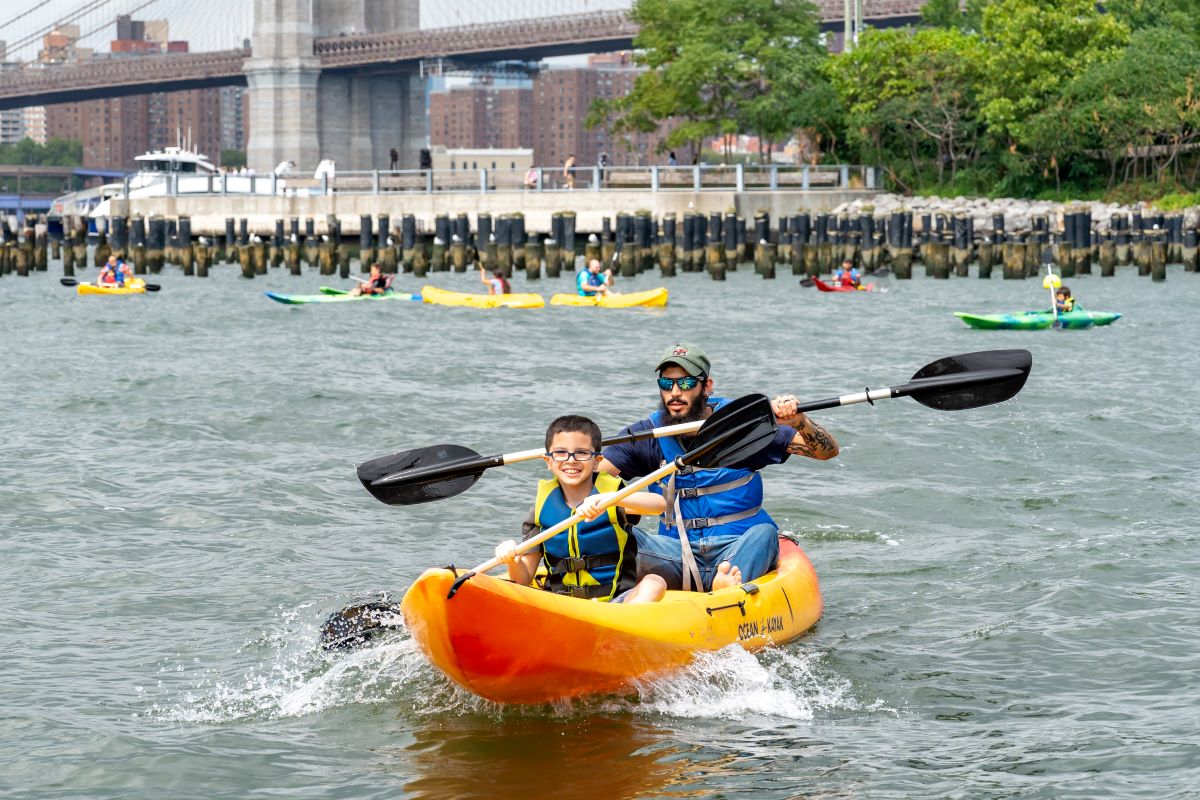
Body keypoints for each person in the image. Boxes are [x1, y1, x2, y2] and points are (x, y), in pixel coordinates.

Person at [598, 343, 840, 592]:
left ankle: (725, 584)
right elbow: (593, 478)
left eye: (686, 383)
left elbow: (826, 452)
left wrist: (800, 421)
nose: (675, 392)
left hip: (736, 546)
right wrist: (573, 461)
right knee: (614, 536)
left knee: (765, 533)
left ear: (707, 386)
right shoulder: (647, 434)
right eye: (666, 384)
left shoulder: (740, 425)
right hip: (675, 554)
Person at [494, 415, 669, 604]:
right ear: (548, 461)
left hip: (614, 603)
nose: (571, 460)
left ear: (597, 461)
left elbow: (658, 504)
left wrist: (610, 500)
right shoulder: (541, 508)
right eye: (561, 453)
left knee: (655, 581)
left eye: (582, 453)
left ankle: (618, 628)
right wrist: (511, 560)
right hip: (561, 605)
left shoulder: (611, 494)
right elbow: (523, 579)